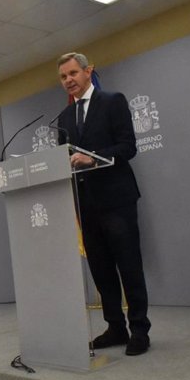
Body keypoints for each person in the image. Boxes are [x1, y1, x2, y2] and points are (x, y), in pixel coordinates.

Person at [56, 52, 151, 356]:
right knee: (101, 269)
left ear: (88, 72)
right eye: (63, 77)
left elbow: (127, 147)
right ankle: (115, 327)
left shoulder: (113, 101)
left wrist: (92, 156)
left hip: (116, 199)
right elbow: (63, 158)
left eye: (73, 73)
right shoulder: (64, 117)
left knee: (128, 266)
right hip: (86, 203)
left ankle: (139, 330)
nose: (68, 80)